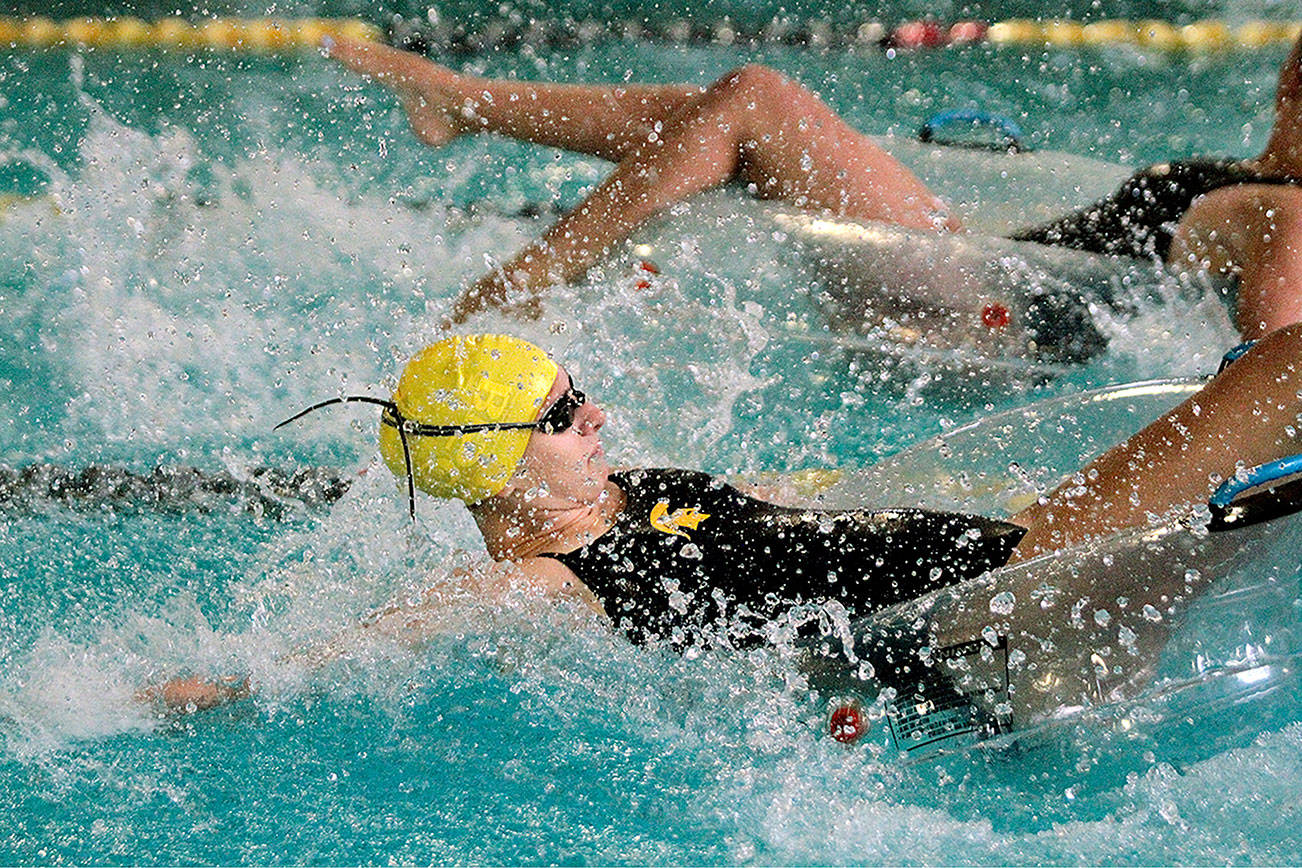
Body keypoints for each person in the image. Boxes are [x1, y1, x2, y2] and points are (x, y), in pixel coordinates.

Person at [151, 325, 1302, 712]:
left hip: (1022, 562)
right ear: (499, 466)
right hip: (1001, 631)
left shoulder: (643, 488)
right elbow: (382, 637)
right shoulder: (547, 580)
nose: (595, 410)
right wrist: (218, 684)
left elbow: (818, 508)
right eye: (561, 411)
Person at [324, 33, 1302, 341]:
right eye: (1290, 68)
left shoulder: (1291, 215)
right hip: (997, 275)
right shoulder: (1263, 184)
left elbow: (1272, 372)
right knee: (723, 113)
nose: (1283, 82)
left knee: (756, 101)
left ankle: (521, 284)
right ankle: (458, 100)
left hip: (1007, 320)